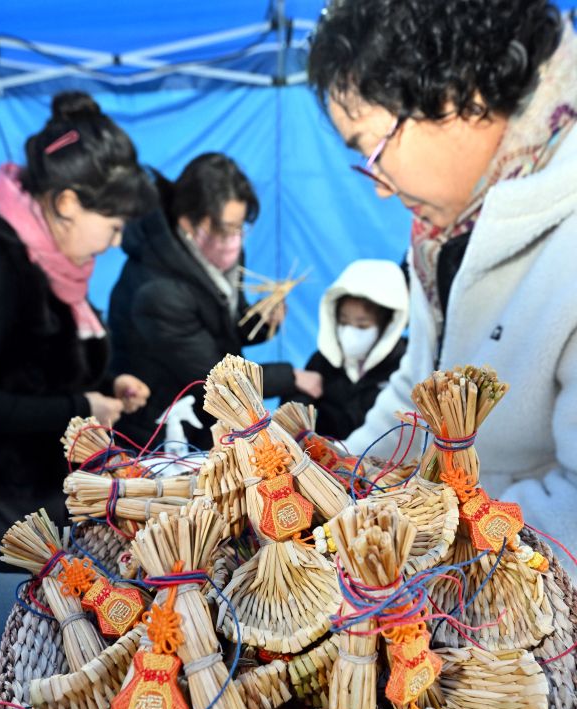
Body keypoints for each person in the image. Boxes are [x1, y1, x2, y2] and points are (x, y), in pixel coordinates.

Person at [308, 0, 577, 562]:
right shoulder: (443, 236)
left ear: (456, 95)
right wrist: (336, 486)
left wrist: (432, 543)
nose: (378, 185)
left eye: (370, 148)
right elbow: (420, 396)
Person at [0, 91, 155, 572]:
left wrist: (104, 387)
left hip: (42, 503)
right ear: (68, 203)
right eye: (114, 226)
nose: (116, 242)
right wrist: (79, 408)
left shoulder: (55, 260)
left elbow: (37, 367)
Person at [108, 152, 322, 449]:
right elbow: (215, 375)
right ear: (188, 219)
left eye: (239, 228)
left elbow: (225, 327)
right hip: (160, 434)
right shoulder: (158, 289)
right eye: (224, 229)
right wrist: (290, 376)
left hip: (205, 419)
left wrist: (262, 320)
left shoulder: (216, 258)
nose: (233, 240)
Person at [306, 259, 408, 440]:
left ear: (387, 325)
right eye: (344, 322)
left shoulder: (405, 364)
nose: (350, 333)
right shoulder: (322, 362)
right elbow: (298, 418)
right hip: (325, 464)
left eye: (362, 325)